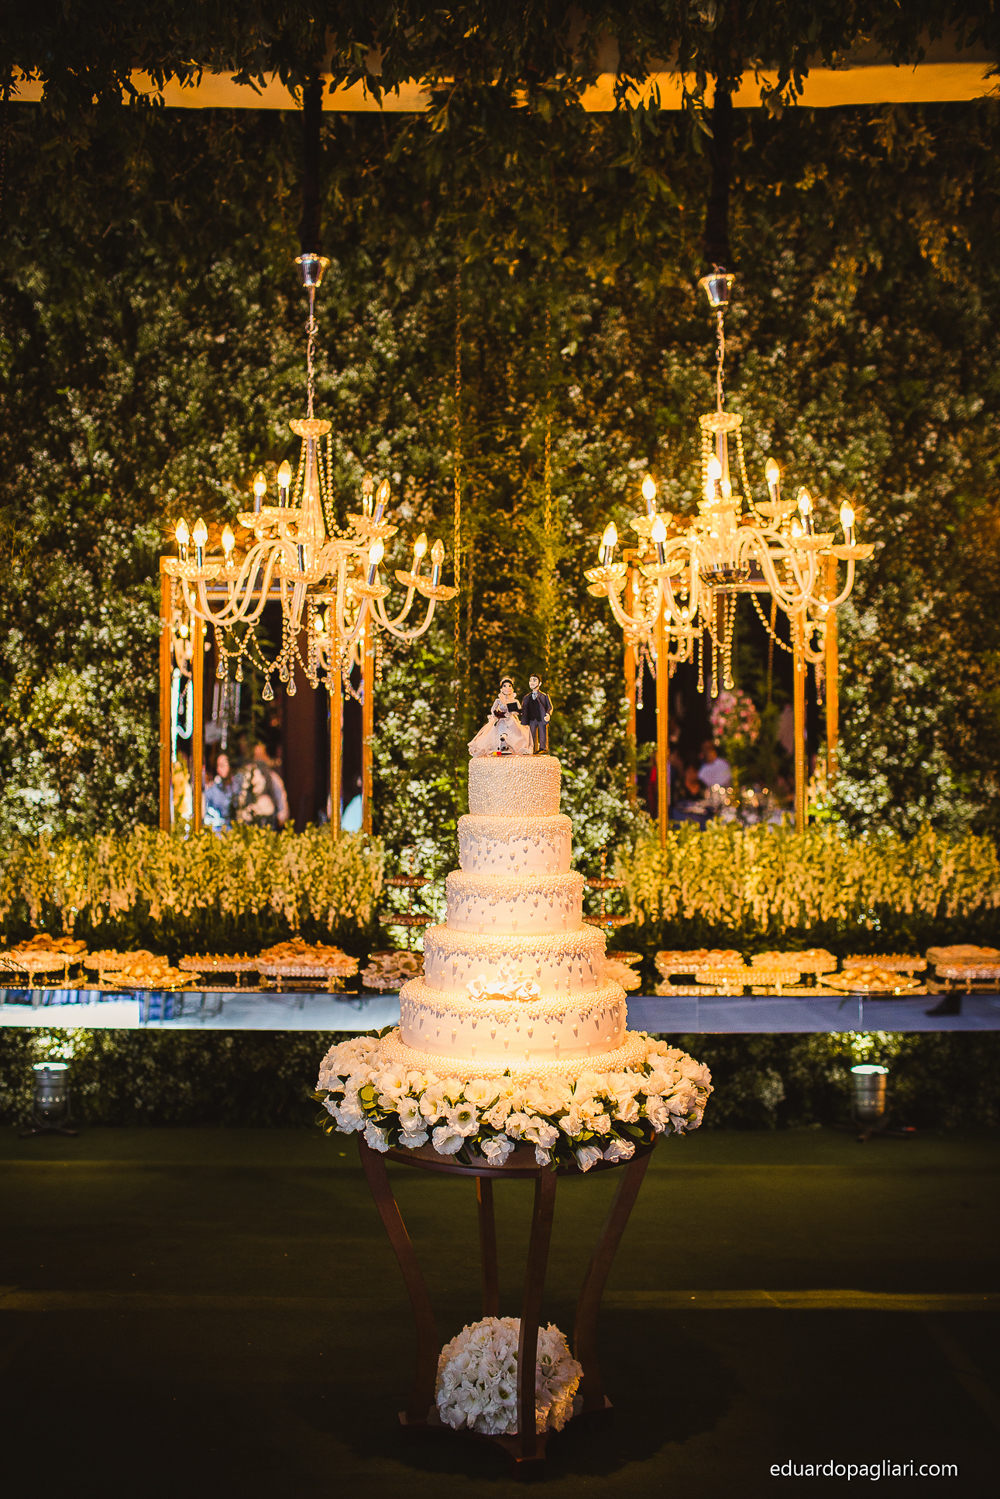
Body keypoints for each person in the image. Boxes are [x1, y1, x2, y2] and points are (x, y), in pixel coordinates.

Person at [468, 678, 533, 757]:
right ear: (501, 688)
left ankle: (512, 749)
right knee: (498, 733)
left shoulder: (515, 701)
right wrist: (499, 714)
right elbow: (493, 710)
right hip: (501, 720)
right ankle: (501, 748)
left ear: (512, 688)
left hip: (511, 720)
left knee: (518, 733)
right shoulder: (498, 700)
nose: (507, 688)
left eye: (509, 686)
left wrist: (516, 711)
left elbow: (519, 711)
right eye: (505, 686)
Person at [253, 741, 288, 827]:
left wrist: (282, 816)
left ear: (266, 757)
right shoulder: (249, 777)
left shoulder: (272, 778)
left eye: (261, 756)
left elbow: (280, 796)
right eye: (257, 756)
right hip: (253, 819)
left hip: (268, 819)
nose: (259, 760)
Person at [520, 675, 553, 753]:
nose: (532, 682)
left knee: (543, 732)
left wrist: (548, 714)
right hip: (532, 719)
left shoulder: (544, 696)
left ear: (540, 683)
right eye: (530, 680)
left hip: (541, 718)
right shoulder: (526, 697)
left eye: (534, 680)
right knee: (532, 734)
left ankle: (543, 748)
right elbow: (524, 708)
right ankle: (533, 748)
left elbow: (550, 707)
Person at [203, 751, 234, 833]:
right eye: (218, 766)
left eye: (223, 765)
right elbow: (206, 816)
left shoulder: (237, 788)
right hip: (218, 833)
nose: (219, 769)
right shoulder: (212, 791)